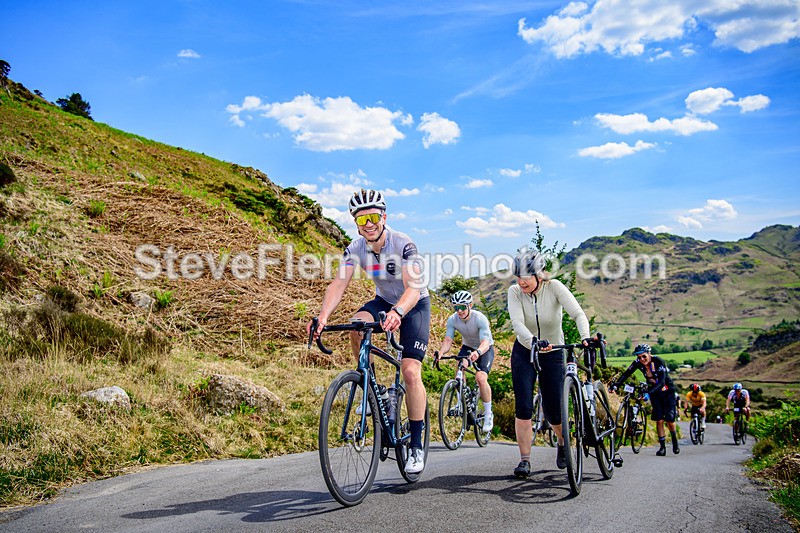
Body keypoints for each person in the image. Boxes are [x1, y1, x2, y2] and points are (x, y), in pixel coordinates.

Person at [307, 189, 430, 474]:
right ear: (357, 223)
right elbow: (339, 283)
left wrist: (399, 312)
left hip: (414, 304)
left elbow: (413, 287)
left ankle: (416, 443)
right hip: (384, 301)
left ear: (384, 217)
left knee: (411, 372)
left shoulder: (403, 244)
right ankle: (374, 391)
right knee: (356, 326)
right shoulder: (356, 248)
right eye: (362, 220)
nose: (369, 224)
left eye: (374, 217)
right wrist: (323, 317)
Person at [507, 249, 593, 479]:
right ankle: (524, 459)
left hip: (554, 352)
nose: (521, 281)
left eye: (526, 276)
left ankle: (563, 442)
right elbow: (517, 324)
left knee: (555, 410)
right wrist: (533, 341)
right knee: (523, 406)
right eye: (518, 276)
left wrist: (584, 336)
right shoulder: (514, 292)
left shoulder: (555, 287)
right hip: (525, 351)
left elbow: (578, 314)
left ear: (539, 274)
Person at [433, 290, 496, 432]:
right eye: (456, 307)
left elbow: (485, 342)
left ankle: (488, 414)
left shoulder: (480, 318)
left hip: (484, 348)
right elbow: (448, 340)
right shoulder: (452, 319)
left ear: (470, 305)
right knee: (459, 367)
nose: (459, 311)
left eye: (462, 307)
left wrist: (478, 352)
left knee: (480, 378)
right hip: (467, 346)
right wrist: (442, 352)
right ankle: (461, 402)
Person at [611, 344, 680, 456]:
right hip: (654, 392)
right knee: (659, 420)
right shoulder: (638, 363)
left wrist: (648, 394)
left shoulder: (658, 362)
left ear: (649, 354)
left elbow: (662, 382)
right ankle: (662, 447)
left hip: (667, 391)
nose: (642, 359)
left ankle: (674, 439)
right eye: (639, 357)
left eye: (644, 356)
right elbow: (626, 374)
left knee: (669, 420)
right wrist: (616, 385)